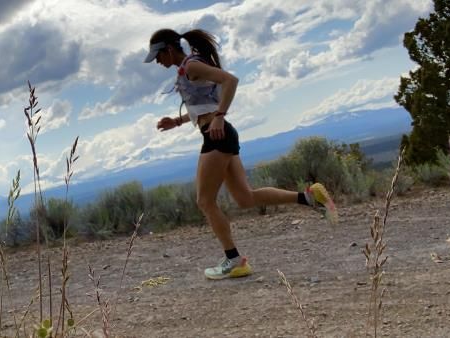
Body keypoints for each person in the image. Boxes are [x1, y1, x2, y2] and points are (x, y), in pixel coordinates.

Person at [143, 28, 338, 280]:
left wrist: (220, 118)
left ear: (169, 49)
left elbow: (230, 80)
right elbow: (205, 104)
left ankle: (233, 260)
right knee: (245, 198)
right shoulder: (189, 67)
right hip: (221, 134)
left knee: (204, 201)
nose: (158, 62)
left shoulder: (192, 66)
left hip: (217, 136)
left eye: (158, 56)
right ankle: (309, 198)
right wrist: (178, 121)